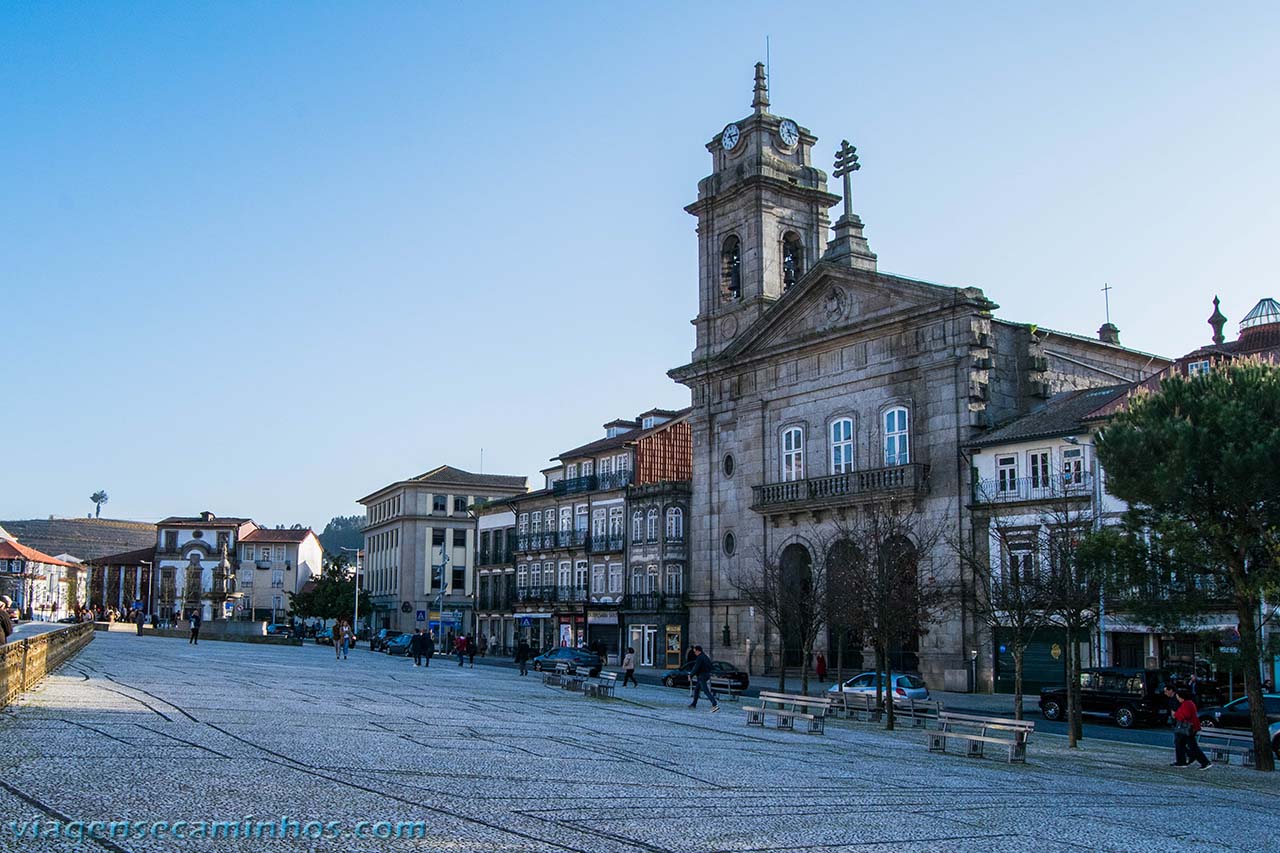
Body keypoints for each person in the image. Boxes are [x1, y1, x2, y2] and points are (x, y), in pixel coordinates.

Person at [1171, 687, 1211, 770]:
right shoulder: (1189, 703)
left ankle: (1203, 762)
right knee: (1181, 744)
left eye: (1177, 696)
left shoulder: (1187, 704)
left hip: (1188, 728)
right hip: (1190, 728)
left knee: (1186, 745)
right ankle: (1183, 761)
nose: (1177, 698)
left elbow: (1186, 715)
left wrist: (1176, 715)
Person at [687, 645, 719, 712]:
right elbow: (710, 666)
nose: (695, 653)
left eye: (695, 651)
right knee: (696, 690)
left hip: (702, 676)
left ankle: (714, 704)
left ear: (698, 651)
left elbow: (696, 667)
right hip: (705, 675)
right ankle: (694, 704)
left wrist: (691, 675)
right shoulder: (705, 656)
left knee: (706, 691)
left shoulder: (700, 658)